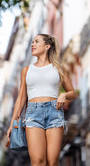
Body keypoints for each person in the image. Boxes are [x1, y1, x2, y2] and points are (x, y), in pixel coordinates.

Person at [7, 33, 77, 166]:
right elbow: (21, 97)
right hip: (33, 115)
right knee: (37, 161)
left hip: (54, 113)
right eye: (32, 42)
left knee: (52, 161)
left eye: (36, 42)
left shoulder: (58, 68)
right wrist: (13, 122)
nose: (32, 44)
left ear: (47, 46)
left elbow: (72, 93)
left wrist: (64, 95)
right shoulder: (27, 70)